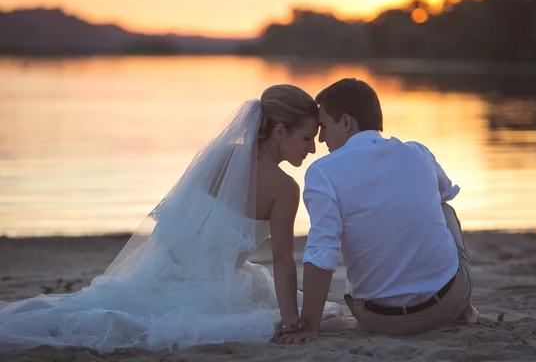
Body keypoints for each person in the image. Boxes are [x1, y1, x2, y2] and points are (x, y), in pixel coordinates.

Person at [0, 84, 342, 353]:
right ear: (279, 131)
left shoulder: (221, 155)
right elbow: (283, 260)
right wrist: (289, 320)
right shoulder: (284, 189)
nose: (312, 148)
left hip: (157, 272)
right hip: (213, 291)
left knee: (92, 312)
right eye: (307, 138)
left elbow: (179, 222)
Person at [279, 78, 478, 344]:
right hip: (446, 306)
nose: (322, 138)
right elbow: (445, 194)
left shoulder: (323, 172)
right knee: (444, 207)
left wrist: (310, 326)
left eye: (324, 127)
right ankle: (464, 308)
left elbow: (322, 250)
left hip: (381, 320)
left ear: (346, 122)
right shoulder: (418, 153)